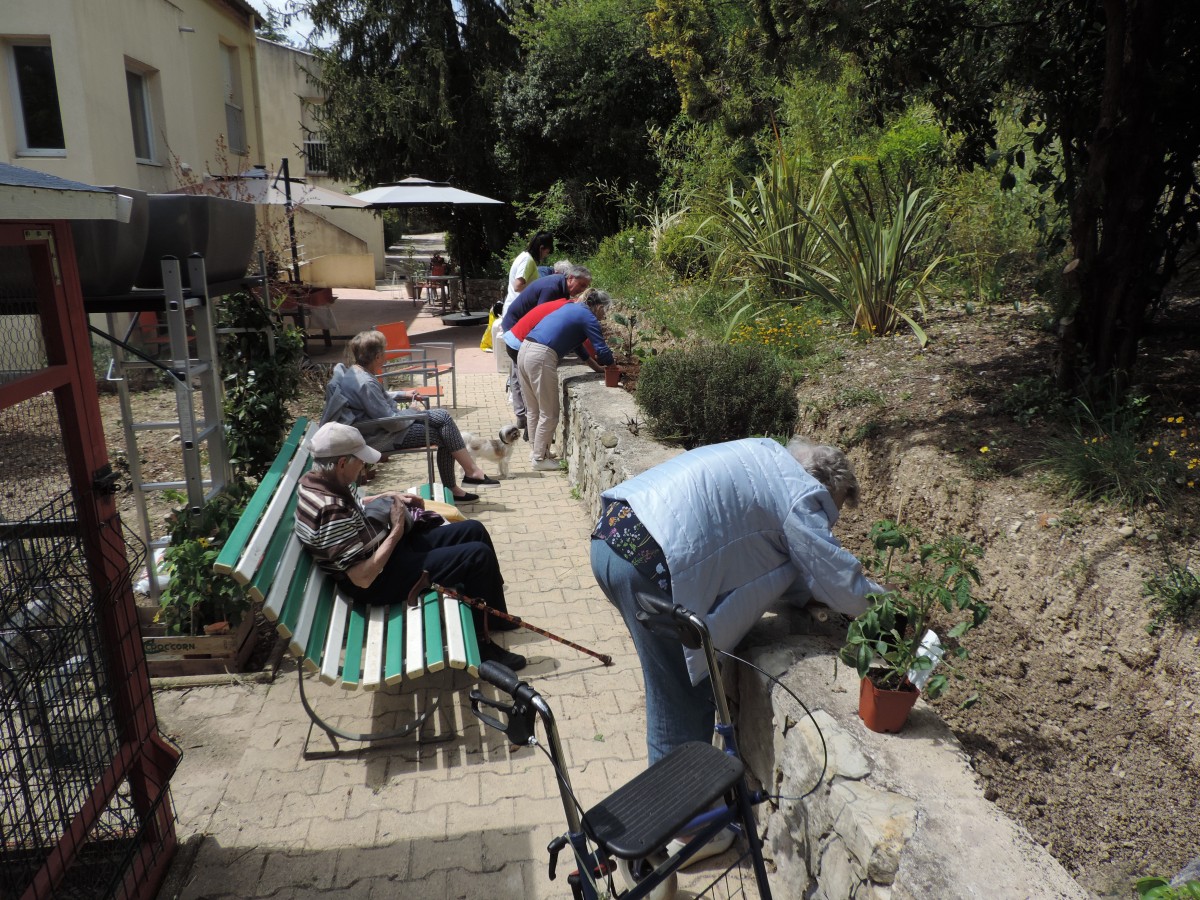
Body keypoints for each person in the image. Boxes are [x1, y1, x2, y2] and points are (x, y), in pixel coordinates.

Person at [590, 437, 886, 765]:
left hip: (613, 536)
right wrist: (890, 607)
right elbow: (839, 582)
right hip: (647, 566)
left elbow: (776, 560)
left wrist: (807, 597)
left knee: (670, 687)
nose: (830, 520)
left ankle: (680, 787)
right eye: (833, 508)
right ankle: (678, 794)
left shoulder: (766, 457)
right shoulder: (801, 495)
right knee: (682, 707)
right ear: (826, 484)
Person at [294, 422, 525, 670]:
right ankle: (482, 647)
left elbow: (357, 506)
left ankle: (494, 615)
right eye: (360, 460)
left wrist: (389, 496)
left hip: (384, 555)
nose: (364, 465)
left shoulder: (324, 479)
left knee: (473, 529)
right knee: (476, 557)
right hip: (376, 581)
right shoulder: (330, 511)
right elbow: (362, 578)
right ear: (342, 463)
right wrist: (396, 530)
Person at [322, 331, 500, 501]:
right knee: (444, 430)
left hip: (378, 428)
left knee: (444, 425)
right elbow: (392, 423)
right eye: (383, 353)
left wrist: (402, 394)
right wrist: (412, 411)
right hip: (381, 436)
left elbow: (373, 399)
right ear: (377, 357)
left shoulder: (356, 373)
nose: (385, 357)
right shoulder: (365, 382)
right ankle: (466, 477)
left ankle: (467, 477)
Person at [517, 289, 614, 470]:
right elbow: (601, 349)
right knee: (550, 412)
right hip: (541, 356)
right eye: (605, 311)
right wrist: (612, 367)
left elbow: (578, 347)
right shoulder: (588, 316)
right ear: (599, 307)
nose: (605, 317)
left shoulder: (573, 308)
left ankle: (537, 452)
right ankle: (539, 459)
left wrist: (597, 368)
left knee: (534, 410)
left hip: (525, 350)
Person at [500, 265, 592, 436]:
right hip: (517, 331)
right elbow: (544, 321)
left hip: (520, 332)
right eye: (581, 285)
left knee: (525, 380)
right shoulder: (552, 289)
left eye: (585, 287)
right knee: (528, 383)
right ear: (570, 278)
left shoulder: (561, 288)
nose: (581, 290)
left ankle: (527, 425)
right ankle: (527, 425)